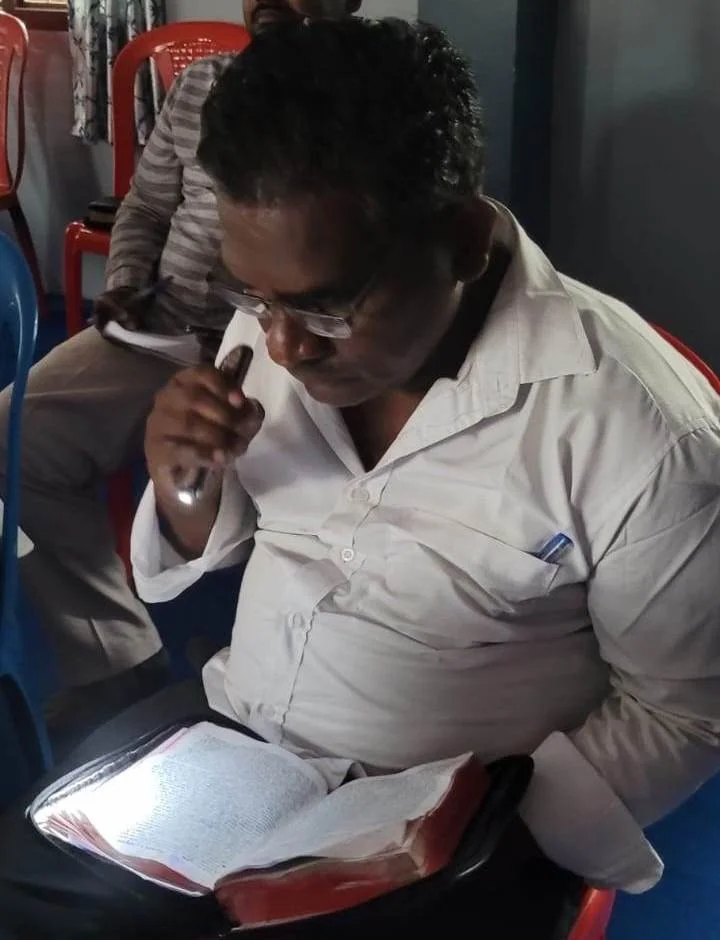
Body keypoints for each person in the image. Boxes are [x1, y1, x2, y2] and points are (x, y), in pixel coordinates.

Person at [2, 16, 720, 940]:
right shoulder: (270, 336)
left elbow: (686, 711)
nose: (284, 344)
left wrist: (478, 837)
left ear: (461, 241)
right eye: (255, 296)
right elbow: (191, 561)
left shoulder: (640, 431)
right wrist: (183, 483)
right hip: (239, 757)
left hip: (461, 824)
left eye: (330, 306)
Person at [0, 0, 361, 748]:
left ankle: (281, 683)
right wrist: (129, 283)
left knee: (319, 494)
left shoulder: (367, 98)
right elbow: (146, 203)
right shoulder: (202, 87)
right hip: (158, 333)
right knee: (13, 438)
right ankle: (117, 664)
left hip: (287, 343)